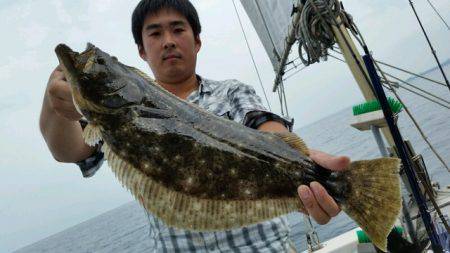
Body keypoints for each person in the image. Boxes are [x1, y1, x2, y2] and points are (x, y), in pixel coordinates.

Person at [39, 0, 350, 251]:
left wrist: (307, 167)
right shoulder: (106, 121)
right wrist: (55, 103)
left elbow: (265, 126)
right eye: (155, 33)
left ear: (197, 41)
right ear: (141, 51)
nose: (169, 41)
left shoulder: (232, 92)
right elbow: (67, 150)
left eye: (178, 29)